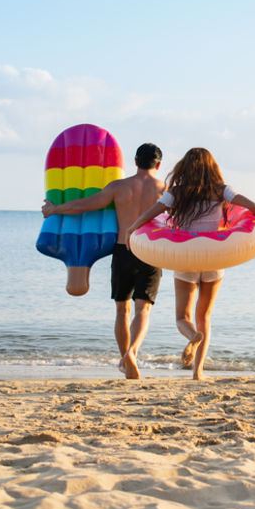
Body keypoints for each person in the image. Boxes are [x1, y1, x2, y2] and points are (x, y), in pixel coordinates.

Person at [126, 147, 255, 380]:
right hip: (214, 259)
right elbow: (253, 207)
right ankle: (198, 372)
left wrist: (132, 228)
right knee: (204, 316)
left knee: (182, 317)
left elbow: (151, 213)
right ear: (212, 167)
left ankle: (192, 336)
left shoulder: (176, 193)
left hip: (186, 259)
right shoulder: (221, 191)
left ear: (184, 168)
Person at [43, 143, 166, 380]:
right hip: (150, 251)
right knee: (143, 309)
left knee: (122, 308)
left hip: (123, 250)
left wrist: (54, 209)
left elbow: (85, 205)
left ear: (135, 161)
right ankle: (132, 352)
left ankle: (126, 361)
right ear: (159, 165)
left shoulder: (119, 187)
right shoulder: (165, 190)